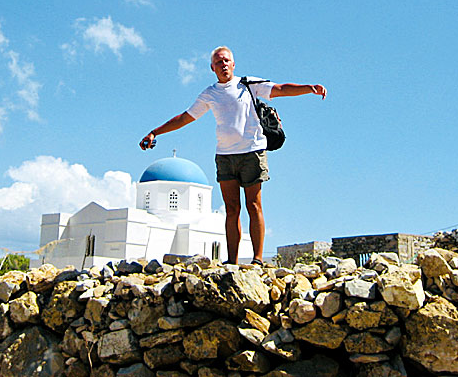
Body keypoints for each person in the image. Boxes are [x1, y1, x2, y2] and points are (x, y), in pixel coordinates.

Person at [139, 46, 326, 265]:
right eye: (219, 62)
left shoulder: (248, 85)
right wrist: (155, 132)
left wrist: (309, 88)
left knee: (253, 205)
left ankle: (257, 259)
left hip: (252, 152)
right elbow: (184, 117)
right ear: (212, 68)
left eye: (227, 60)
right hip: (225, 155)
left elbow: (280, 89)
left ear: (233, 64)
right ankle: (232, 261)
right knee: (231, 209)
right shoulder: (210, 94)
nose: (223, 64)